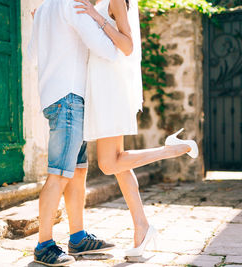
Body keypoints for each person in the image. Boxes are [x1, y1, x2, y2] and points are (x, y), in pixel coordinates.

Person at [73, 0, 199, 257]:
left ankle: (168, 149)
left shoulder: (115, 0)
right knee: (120, 166)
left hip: (110, 87)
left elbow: (128, 45)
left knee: (109, 164)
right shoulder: (97, 2)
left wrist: (97, 20)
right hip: (101, 86)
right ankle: (142, 226)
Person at [27, 0, 121, 265]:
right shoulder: (73, 5)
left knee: (78, 171)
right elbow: (107, 50)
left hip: (60, 98)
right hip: (68, 98)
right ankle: (44, 244)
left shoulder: (44, 9)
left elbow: (31, 54)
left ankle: (78, 238)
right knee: (59, 173)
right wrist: (101, 22)